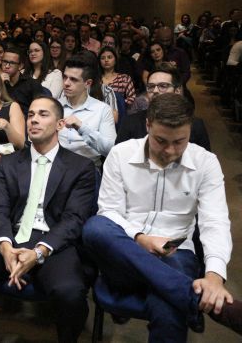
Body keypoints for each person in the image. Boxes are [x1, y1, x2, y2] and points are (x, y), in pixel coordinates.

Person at [83, 93, 242, 342]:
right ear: (148, 125)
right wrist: (140, 238)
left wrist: (214, 277)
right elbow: (110, 211)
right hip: (125, 251)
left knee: (168, 306)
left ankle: (185, 297)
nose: (170, 150)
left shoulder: (205, 163)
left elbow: (215, 222)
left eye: (180, 142)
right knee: (96, 228)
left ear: (190, 131)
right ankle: (195, 299)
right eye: (161, 141)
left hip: (175, 254)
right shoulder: (121, 154)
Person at [0, 96, 97, 343]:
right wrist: (6, 247)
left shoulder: (80, 167)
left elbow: (74, 219)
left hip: (53, 243)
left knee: (70, 292)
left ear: (60, 125)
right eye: (31, 115)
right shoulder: (9, 162)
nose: (34, 120)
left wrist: (38, 252)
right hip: (11, 236)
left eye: (43, 115)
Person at [116, 63, 210, 150]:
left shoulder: (195, 125)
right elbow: (118, 158)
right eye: (151, 86)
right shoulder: (130, 122)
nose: (155, 91)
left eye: (163, 86)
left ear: (177, 91)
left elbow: (203, 159)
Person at [59, 56, 116, 166]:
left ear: (88, 83)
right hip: (57, 167)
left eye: (73, 79)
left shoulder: (102, 109)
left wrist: (82, 128)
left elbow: (111, 149)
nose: (66, 83)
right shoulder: (55, 106)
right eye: (65, 77)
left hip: (89, 168)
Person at [0, 46, 43, 116]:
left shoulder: (32, 84)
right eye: (5, 62)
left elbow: (40, 109)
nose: (7, 66)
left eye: (12, 63)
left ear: (20, 66)